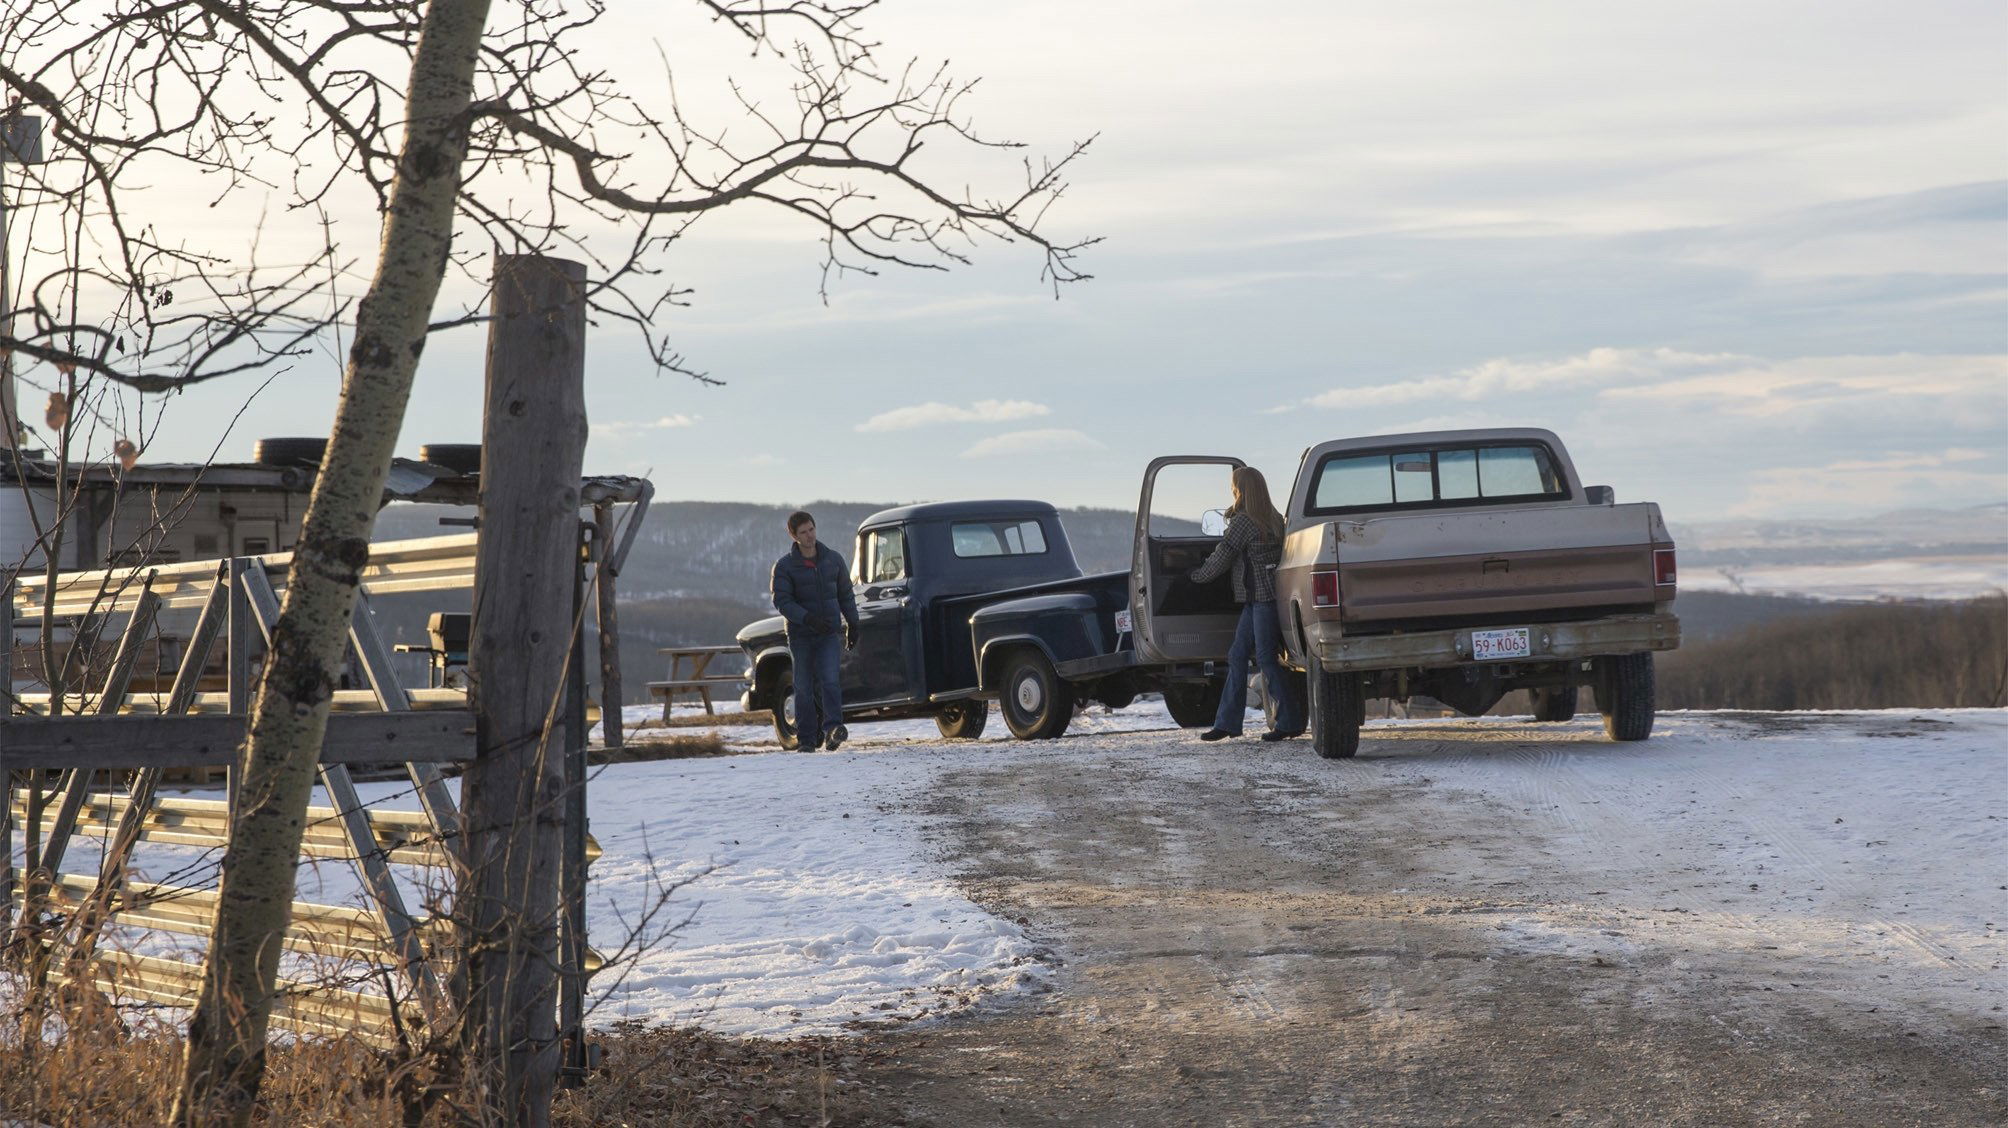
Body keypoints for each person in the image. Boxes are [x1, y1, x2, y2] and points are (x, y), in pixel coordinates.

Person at [1188, 466, 1305, 742]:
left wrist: (1195, 577)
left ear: (1241, 490)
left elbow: (1222, 556)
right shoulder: (1275, 519)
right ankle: (1228, 723)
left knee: (1265, 658)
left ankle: (1289, 721)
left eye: (1234, 486)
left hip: (1261, 600)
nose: (1232, 490)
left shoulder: (1244, 522)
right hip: (1264, 598)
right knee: (1238, 655)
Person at [770, 510, 858, 751]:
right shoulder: (785, 566)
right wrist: (807, 619)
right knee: (804, 686)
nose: (809, 536)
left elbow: (846, 595)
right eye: (803, 532)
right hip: (801, 636)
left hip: (829, 632)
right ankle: (807, 739)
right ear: (793, 535)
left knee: (830, 681)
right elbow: (782, 601)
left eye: (811, 529)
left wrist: (853, 623)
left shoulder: (833, 560)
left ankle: (833, 730)